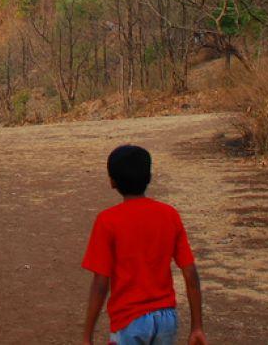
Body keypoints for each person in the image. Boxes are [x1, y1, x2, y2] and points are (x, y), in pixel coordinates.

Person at [80, 144, 206, 345]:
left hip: (129, 319)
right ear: (149, 177)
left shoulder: (107, 221)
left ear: (112, 181)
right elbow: (190, 274)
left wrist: (87, 336)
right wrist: (197, 327)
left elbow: (100, 284)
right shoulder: (169, 215)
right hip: (166, 318)